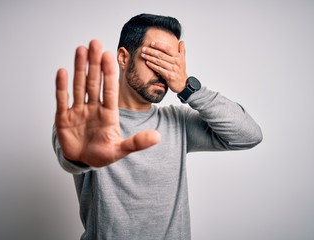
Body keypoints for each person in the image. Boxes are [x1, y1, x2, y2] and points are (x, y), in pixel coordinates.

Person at [52, 13, 262, 240]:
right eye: (155, 58)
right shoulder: (86, 122)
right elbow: (70, 155)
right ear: (123, 57)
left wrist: (188, 88)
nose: (163, 72)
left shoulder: (177, 122)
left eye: (170, 62)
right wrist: (78, 158)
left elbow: (249, 135)